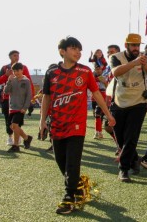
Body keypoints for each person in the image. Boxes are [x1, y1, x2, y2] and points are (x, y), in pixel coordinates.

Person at [39, 36, 115, 214]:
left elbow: (96, 94)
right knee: (61, 162)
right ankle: (78, 184)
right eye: (74, 48)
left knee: (72, 162)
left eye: (79, 50)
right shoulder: (51, 73)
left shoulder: (85, 71)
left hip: (76, 125)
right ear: (62, 51)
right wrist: (43, 120)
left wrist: (108, 114)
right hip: (57, 125)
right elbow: (47, 98)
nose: (78, 52)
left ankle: (69, 197)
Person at [109, 33, 147, 183]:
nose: (136, 48)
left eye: (138, 45)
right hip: (120, 99)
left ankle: (123, 170)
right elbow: (115, 72)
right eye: (133, 45)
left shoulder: (144, 57)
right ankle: (135, 159)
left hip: (139, 101)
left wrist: (144, 64)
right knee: (120, 136)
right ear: (126, 45)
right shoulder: (115, 57)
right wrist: (134, 63)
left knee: (131, 136)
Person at [0, 50, 34, 145]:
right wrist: (6, 75)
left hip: (20, 99)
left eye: (18, 55)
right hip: (7, 98)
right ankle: (10, 137)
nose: (16, 57)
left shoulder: (23, 67)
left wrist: (31, 99)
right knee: (8, 120)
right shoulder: (5, 68)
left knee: (17, 122)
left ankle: (17, 140)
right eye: (14, 55)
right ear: (10, 57)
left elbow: (29, 81)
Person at [4, 62, 33, 152]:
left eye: (18, 70)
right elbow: (6, 91)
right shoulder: (12, 80)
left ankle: (16, 145)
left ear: (22, 70)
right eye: (14, 71)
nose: (16, 72)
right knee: (13, 127)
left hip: (21, 108)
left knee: (15, 125)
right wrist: (8, 81)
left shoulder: (26, 81)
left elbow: (29, 95)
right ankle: (26, 138)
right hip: (12, 107)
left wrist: (25, 107)